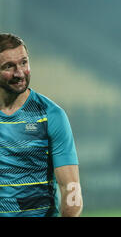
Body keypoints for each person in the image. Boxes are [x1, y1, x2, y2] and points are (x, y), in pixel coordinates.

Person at [0, 33, 82, 217]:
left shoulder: (51, 115)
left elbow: (71, 190)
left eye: (24, 63)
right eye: (9, 66)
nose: (19, 73)